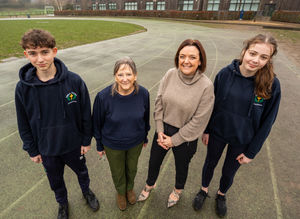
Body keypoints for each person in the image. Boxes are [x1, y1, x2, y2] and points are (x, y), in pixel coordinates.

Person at [192, 34, 281, 217]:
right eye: (253, 53)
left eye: (263, 57)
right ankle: (203, 190)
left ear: (269, 59)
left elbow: (267, 122)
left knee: (229, 171)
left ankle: (221, 195)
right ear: (244, 51)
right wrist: (207, 130)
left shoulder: (271, 84)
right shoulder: (225, 74)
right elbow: (211, 105)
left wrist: (252, 151)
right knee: (210, 163)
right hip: (218, 133)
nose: (256, 60)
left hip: (242, 139)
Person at [15, 29, 99, 219]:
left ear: (54, 51)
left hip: (73, 145)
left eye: (44, 52)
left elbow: (86, 113)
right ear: (26, 54)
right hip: (47, 149)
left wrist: (86, 140)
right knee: (55, 180)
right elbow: (23, 122)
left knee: (82, 172)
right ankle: (62, 203)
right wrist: (32, 150)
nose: (40, 59)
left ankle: (87, 192)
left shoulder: (74, 81)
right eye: (33, 53)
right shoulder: (23, 89)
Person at [137, 39, 215, 208]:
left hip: (186, 136)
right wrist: (159, 130)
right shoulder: (170, 74)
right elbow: (158, 102)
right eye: (182, 56)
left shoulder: (206, 86)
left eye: (192, 57)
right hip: (163, 129)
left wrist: (174, 140)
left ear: (200, 60)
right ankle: (150, 185)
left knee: (182, 166)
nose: (186, 61)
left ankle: (177, 190)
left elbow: (199, 120)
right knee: (153, 161)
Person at [92, 57, 150, 211]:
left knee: (132, 168)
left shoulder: (143, 93)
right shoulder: (103, 97)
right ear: (115, 76)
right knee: (118, 172)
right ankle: (120, 192)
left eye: (129, 74)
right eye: (120, 75)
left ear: (135, 75)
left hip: (135, 142)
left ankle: (129, 189)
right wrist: (99, 145)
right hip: (112, 145)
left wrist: (145, 137)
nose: (125, 79)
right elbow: (96, 123)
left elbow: (146, 117)